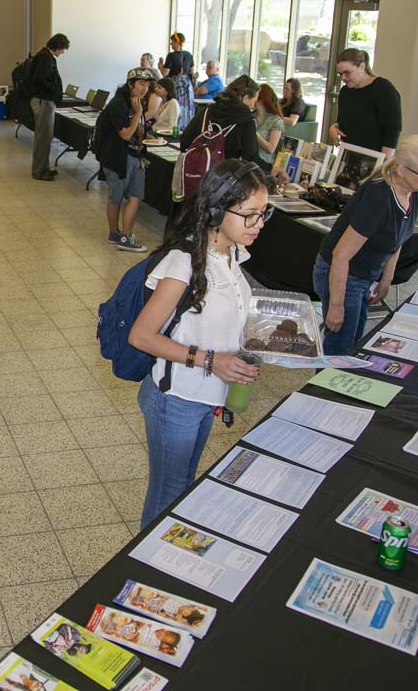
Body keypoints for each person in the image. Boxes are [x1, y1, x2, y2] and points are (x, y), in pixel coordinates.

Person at [127, 160, 272, 526]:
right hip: (175, 401)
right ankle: (147, 570)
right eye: (250, 215)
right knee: (168, 494)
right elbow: (141, 336)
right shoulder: (183, 263)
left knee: (183, 489)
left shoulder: (232, 253)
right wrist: (211, 361)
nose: (259, 224)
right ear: (218, 209)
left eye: (264, 213)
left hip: (209, 396)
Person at [313, 135, 418, 355]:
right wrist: (336, 306)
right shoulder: (379, 197)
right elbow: (341, 255)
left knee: (354, 341)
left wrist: (386, 279)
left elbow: (398, 237)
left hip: (363, 275)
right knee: (340, 347)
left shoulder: (414, 188)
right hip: (342, 274)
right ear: (401, 170)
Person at [99, 68, 153, 252]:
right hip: (118, 157)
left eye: (147, 85)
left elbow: (136, 131)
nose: (145, 88)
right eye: (141, 84)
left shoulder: (135, 102)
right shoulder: (119, 104)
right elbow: (125, 134)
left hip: (137, 156)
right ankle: (115, 233)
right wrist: (138, 113)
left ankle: (126, 236)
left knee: (136, 196)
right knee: (116, 197)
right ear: (131, 84)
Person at [328, 48, 402, 157]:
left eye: (347, 73)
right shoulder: (345, 92)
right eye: (340, 74)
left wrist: (383, 163)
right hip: (348, 156)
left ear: (362, 67)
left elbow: (392, 130)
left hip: (373, 157)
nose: (343, 78)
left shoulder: (383, 89)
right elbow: (344, 121)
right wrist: (333, 128)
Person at [28, 33, 70, 181]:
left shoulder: (44, 55)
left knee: (44, 137)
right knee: (43, 138)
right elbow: (39, 79)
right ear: (57, 46)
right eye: (63, 49)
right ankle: (39, 171)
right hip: (43, 101)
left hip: (43, 100)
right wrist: (54, 90)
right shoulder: (45, 57)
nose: (63, 52)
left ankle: (43, 168)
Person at [157, 33, 195, 129]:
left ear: (176, 42)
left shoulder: (171, 56)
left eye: (172, 41)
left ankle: (174, 128)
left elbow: (165, 73)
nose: (171, 44)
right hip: (187, 85)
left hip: (176, 84)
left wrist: (161, 66)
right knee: (186, 108)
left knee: (174, 107)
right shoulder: (189, 55)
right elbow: (192, 72)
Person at [254, 84, 284, 166]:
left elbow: (271, 149)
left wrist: (254, 133)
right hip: (249, 159)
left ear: (262, 100)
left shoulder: (276, 121)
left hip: (264, 161)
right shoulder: (251, 116)